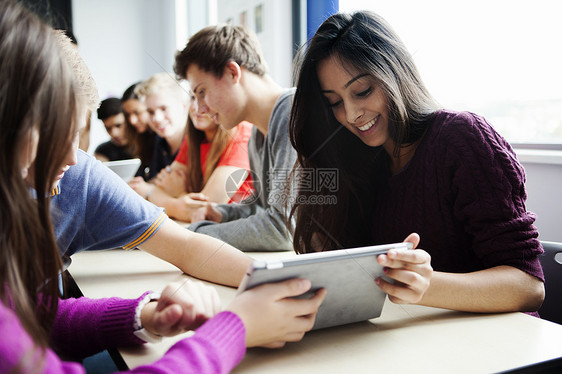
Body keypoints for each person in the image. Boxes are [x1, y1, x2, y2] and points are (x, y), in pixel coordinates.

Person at [0, 2, 326, 373]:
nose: (74, 159)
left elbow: (33, 316)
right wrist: (236, 327)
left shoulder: (262, 126)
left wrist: (142, 314)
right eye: (58, 133)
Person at [288, 10, 545, 314]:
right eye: (335, 103)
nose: (352, 114)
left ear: (394, 73)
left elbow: (529, 286)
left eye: (362, 91)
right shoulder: (364, 159)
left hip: (491, 343)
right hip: (410, 340)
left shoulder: (461, 138)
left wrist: (426, 286)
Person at [49, 20, 252, 289]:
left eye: (76, 133)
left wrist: (273, 280)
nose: (72, 158)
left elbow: (188, 243)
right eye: (56, 136)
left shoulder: (81, 177)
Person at [174, 24, 297, 251]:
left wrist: (193, 236)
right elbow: (263, 209)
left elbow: (282, 231)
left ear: (233, 72)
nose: (200, 109)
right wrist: (222, 214)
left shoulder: (291, 111)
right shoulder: (257, 134)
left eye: (202, 92)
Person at [144, 96, 254, 222]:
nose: (197, 107)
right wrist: (179, 202)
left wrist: (155, 193)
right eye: (192, 97)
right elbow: (164, 184)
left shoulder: (242, 133)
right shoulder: (194, 137)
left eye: (205, 96)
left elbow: (206, 211)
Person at [128, 73, 188, 193]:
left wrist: (148, 190)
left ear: (184, 105)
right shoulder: (159, 141)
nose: (157, 118)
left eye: (163, 108)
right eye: (150, 112)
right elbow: (157, 183)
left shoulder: (198, 141)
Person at [122, 82, 156, 180]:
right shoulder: (140, 139)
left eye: (137, 113)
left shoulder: (162, 139)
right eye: (128, 115)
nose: (132, 121)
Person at [94, 97, 134, 162]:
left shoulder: (147, 143)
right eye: (108, 128)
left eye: (118, 125)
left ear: (129, 120)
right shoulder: (102, 151)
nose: (114, 133)